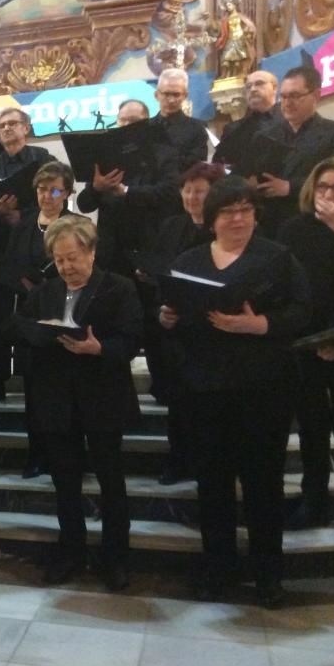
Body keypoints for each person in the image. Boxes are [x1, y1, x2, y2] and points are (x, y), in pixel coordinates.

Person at [159, 177, 311, 608]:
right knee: (213, 484)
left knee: (263, 484)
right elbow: (176, 315)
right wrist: (167, 317)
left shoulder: (277, 257)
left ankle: (268, 576)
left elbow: (303, 310)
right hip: (204, 389)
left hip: (263, 389)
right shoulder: (189, 260)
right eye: (229, 211)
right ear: (212, 220)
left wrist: (258, 325)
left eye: (246, 209)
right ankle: (218, 570)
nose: (239, 218)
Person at [5, 216, 142, 590]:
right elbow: (19, 326)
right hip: (57, 400)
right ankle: (72, 551)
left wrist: (100, 348)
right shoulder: (45, 292)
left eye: (72, 258)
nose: (66, 266)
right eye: (59, 260)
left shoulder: (119, 288)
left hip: (102, 397)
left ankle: (115, 558)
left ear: (92, 252)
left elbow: (131, 339)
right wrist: (38, 335)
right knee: (65, 482)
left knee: (111, 482)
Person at [277, 157, 334, 539]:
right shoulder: (295, 229)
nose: (329, 194)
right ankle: (312, 498)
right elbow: (288, 285)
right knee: (311, 426)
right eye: (322, 187)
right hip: (307, 340)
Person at [0, 161, 81, 478]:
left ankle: (70, 456)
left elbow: (89, 268)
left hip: (67, 313)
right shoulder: (25, 223)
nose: (47, 195)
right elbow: (9, 265)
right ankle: (36, 454)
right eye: (42, 189)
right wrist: (25, 283)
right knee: (33, 392)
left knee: (67, 392)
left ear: (67, 192)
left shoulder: (77, 225)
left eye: (54, 189)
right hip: (31, 315)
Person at [144, 162, 227, 486]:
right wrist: (160, 310)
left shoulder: (221, 230)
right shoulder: (171, 227)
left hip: (214, 329)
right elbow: (161, 279)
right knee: (178, 402)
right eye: (187, 190)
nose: (192, 196)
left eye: (200, 191)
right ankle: (178, 460)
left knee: (209, 408)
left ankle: (208, 464)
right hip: (177, 329)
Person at [0, 107, 54, 401]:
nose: (7, 129)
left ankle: (30, 375)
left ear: (26, 128)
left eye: (13, 124)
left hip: (36, 249)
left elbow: (58, 192)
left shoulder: (43, 159)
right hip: (0, 250)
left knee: (34, 313)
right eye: (1, 126)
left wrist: (24, 216)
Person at [76, 99, 182, 277]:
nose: (126, 125)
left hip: (149, 245)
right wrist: (96, 188)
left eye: (132, 120)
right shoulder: (105, 157)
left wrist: (127, 192)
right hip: (111, 252)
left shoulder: (164, 153)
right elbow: (84, 205)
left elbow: (170, 192)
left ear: (146, 122)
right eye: (122, 120)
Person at [252, 66, 334, 237]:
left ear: (316, 95)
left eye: (294, 96)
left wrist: (289, 187)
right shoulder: (263, 136)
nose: (287, 103)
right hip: (270, 224)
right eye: (283, 96)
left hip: (316, 223)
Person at [214, 70, 281, 167]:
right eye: (248, 87)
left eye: (259, 83)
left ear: (274, 88)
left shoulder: (290, 121)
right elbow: (218, 162)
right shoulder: (233, 129)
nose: (253, 89)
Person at [150, 68, 208, 173]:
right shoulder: (145, 128)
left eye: (176, 95)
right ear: (156, 95)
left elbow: (197, 164)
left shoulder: (197, 128)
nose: (171, 100)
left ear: (185, 95)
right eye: (166, 94)